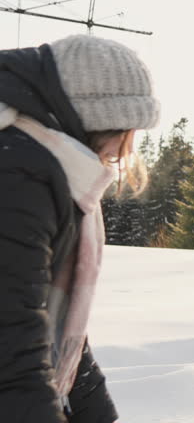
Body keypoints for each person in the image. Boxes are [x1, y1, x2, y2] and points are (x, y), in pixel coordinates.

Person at [0, 34, 160, 422]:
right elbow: (11, 342)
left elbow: (54, 328)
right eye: (126, 128)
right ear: (97, 120)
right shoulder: (20, 175)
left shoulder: (55, 169)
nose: (126, 146)